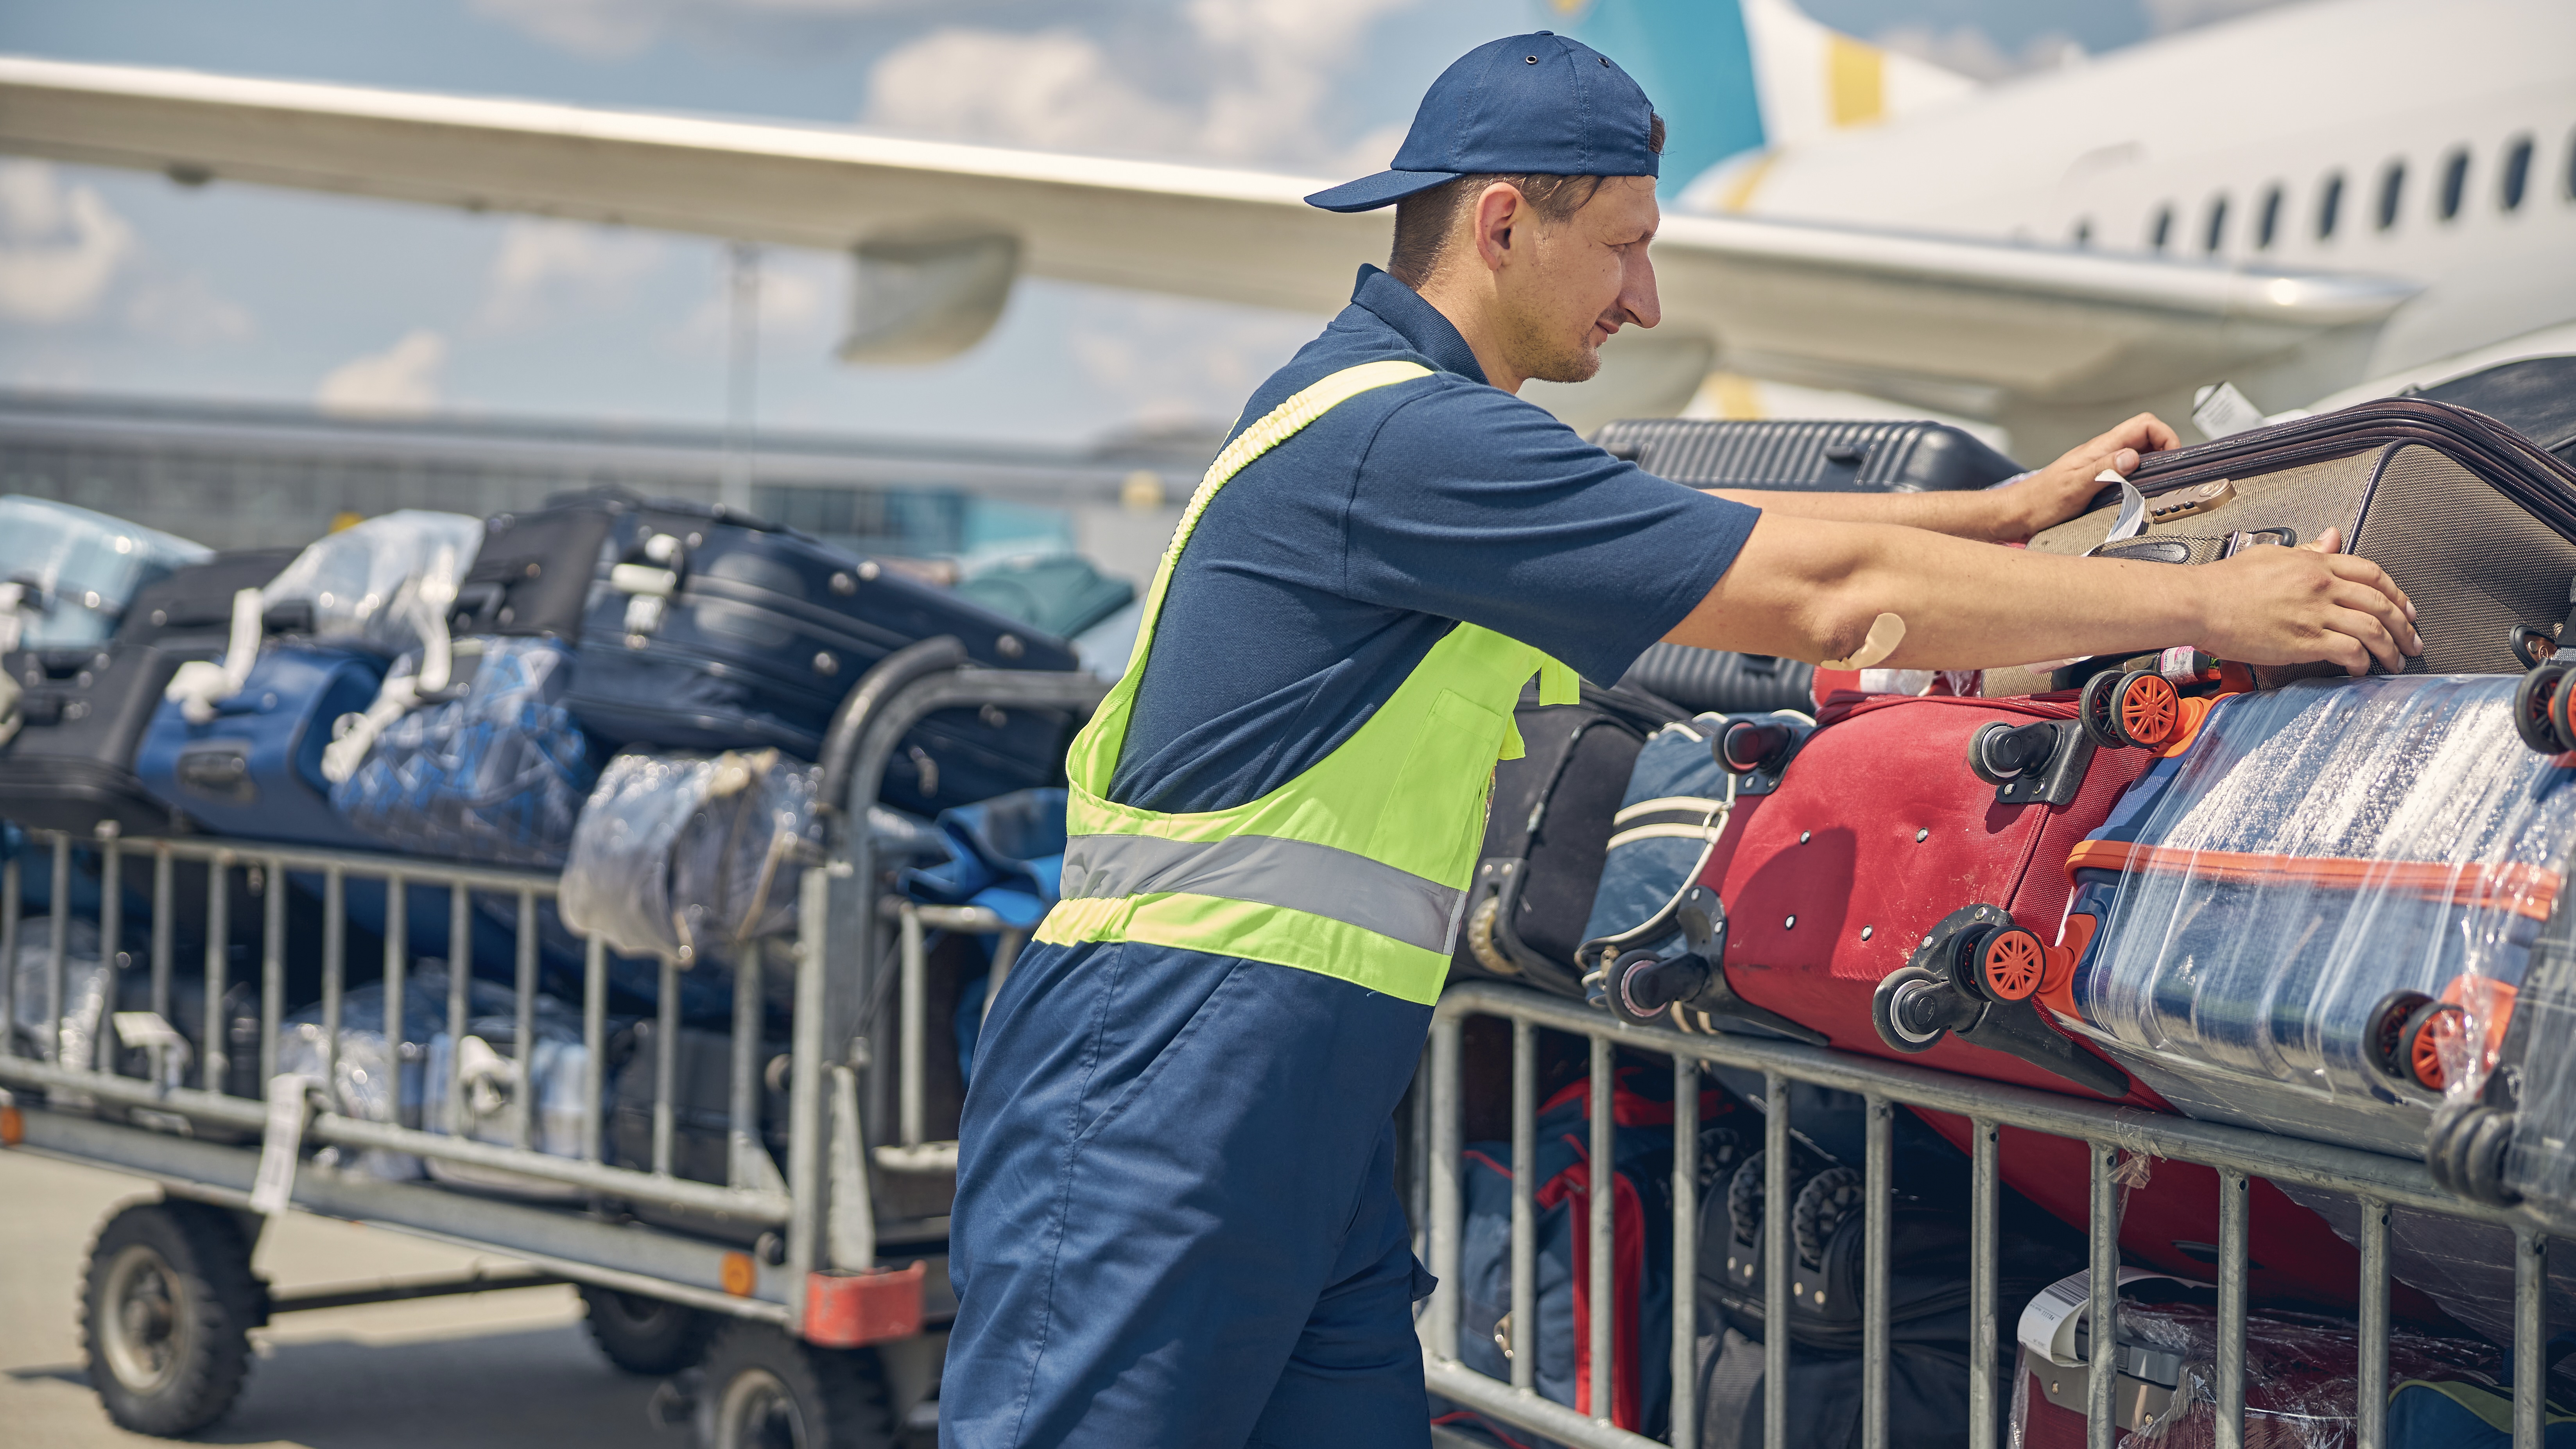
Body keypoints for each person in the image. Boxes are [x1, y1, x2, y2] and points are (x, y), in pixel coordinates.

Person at [940, 30, 2418, 1449]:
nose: (1645, 299)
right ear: (1505, 223)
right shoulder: (1406, 442)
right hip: (1163, 1085)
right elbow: (1826, 598)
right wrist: (2219, 599)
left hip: (1283, 1100)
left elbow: (1734, 530)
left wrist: (2001, 511)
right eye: (1627, 245)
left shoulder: (1412, 426)